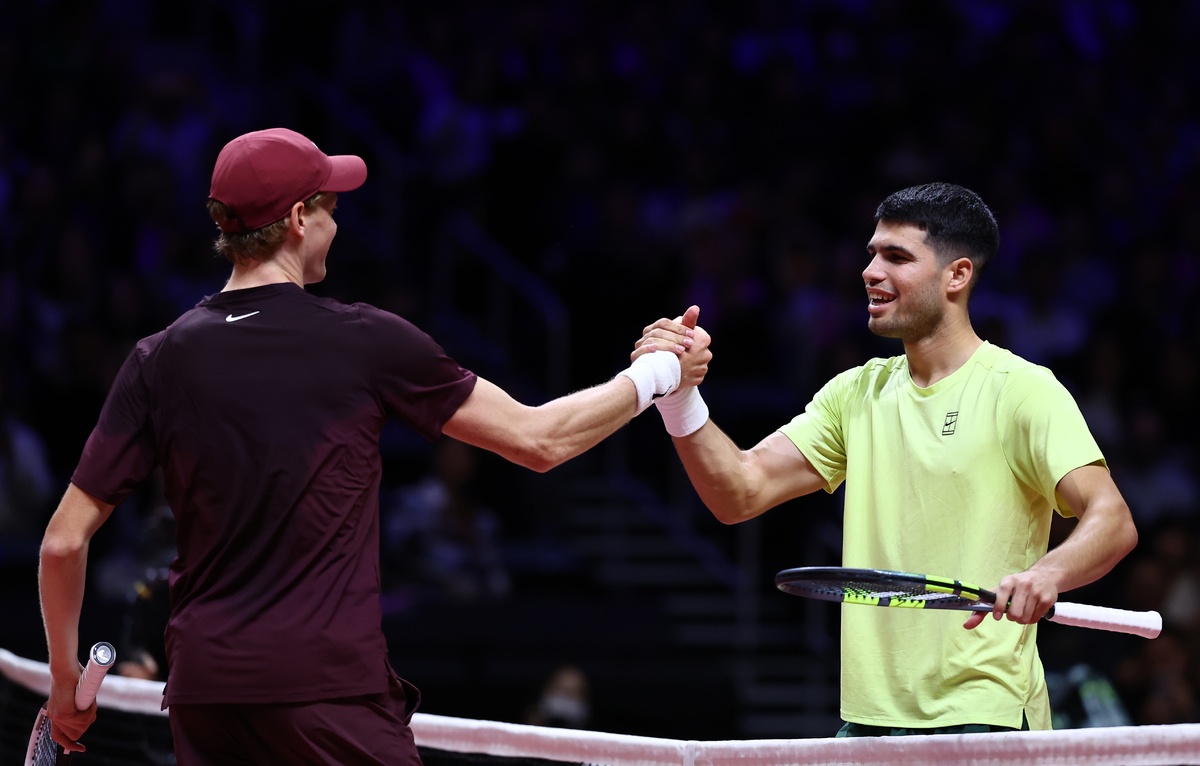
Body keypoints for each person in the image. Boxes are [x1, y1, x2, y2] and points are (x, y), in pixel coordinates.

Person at [38, 127, 711, 765]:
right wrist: (656, 375)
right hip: (322, 691)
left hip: (204, 695)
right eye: (330, 208)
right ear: (298, 219)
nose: (337, 224)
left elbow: (63, 543)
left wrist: (66, 684)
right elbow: (538, 440)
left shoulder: (157, 359)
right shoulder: (364, 339)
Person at [635, 182, 1138, 734]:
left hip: (981, 714)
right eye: (872, 254)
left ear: (957, 275)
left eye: (896, 257)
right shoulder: (856, 393)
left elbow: (1112, 519)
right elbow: (740, 492)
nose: (870, 271)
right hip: (868, 720)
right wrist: (679, 397)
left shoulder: (1021, 390)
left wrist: (1047, 573)